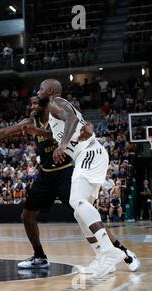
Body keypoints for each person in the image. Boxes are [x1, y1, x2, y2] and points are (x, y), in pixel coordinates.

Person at [0, 96, 139, 273]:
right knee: (27, 215)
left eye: (35, 102)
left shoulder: (57, 115)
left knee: (86, 214)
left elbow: (81, 124)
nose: (32, 105)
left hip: (65, 172)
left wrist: (88, 127)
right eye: (30, 102)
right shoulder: (30, 121)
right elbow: (4, 132)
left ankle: (124, 252)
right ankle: (39, 255)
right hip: (46, 174)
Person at [39, 78, 127, 277]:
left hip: (89, 153)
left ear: (51, 90)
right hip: (88, 155)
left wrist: (61, 145)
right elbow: (77, 124)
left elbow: (70, 120)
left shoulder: (55, 102)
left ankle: (109, 251)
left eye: (41, 89)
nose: (38, 92)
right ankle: (103, 258)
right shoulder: (55, 111)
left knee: (76, 201)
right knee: (80, 212)